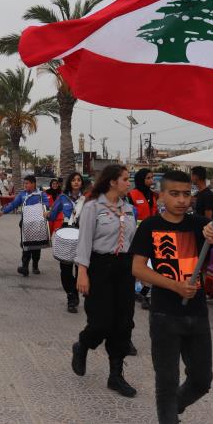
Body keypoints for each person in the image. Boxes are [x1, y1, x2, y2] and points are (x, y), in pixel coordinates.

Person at [131, 169, 213, 424]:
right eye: (174, 194)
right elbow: (137, 269)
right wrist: (174, 286)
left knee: (202, 380)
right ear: (160, 196)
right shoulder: (150, 226)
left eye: (186, 194)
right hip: (164, 315)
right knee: (167, 381)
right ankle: (168, 416)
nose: (182, 200)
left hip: (197, 315)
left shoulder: (200, 226)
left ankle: (173, 409)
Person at [71, 164, 138, 398]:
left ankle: (116, 376)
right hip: (100, 267)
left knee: (123, 323)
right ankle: (82, 345)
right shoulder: (93, 207)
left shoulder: (128, 209)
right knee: (101, 321)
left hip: (124, 268)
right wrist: (82, 272)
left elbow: (132, 241)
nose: (129, 183)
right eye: (125, 179)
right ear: (112, 182)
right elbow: (84, 241)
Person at [48, 172, 85, 314]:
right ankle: (71, 295)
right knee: (65, 269)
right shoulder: (62, 198)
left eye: (78, 180)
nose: (76, 182)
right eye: (74, 180)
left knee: (79, 267)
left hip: (82, 234)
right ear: (70, 182)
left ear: (81, 183)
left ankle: (75, 294)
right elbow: (52, 215)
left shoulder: (86, 199)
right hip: (66, 234)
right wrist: (48, 214)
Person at [0, 175, 49, 276]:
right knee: (26, 245)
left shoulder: (41, 195)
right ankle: (25, 266)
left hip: (38, 223)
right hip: (25, 224)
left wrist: (44, 210)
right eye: (24, 183)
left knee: (36, 245)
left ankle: (35, 265)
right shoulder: (22, 195)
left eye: (27, 183)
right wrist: (4, 211)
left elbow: (46, 205)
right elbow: (14, 204)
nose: (25, 185)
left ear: (33, 184)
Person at [128, 168, 158, 310]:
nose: (151, 181)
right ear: (141, 179)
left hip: (151, 234)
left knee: (146, 265)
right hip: (135, 234)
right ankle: (135, 293)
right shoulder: (131, 195)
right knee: (136, 264)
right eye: (148, 178)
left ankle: (145, 294)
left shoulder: (153, 196)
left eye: (152, 177)